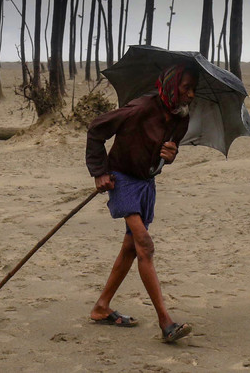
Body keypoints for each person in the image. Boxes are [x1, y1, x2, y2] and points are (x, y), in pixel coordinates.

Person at [85, 63, 197, 343]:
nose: (191, 95)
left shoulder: (181, 117)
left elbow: (165, 154)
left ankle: (101, 307)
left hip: (146, 183)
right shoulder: (139, 108)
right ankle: (166, 323)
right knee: (144, 244)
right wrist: (99, 172)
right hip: (121, 179)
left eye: (194, 90)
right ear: (172, 87)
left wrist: (170, 155)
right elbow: (96, 130)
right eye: (186, 88)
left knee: (130, 248)